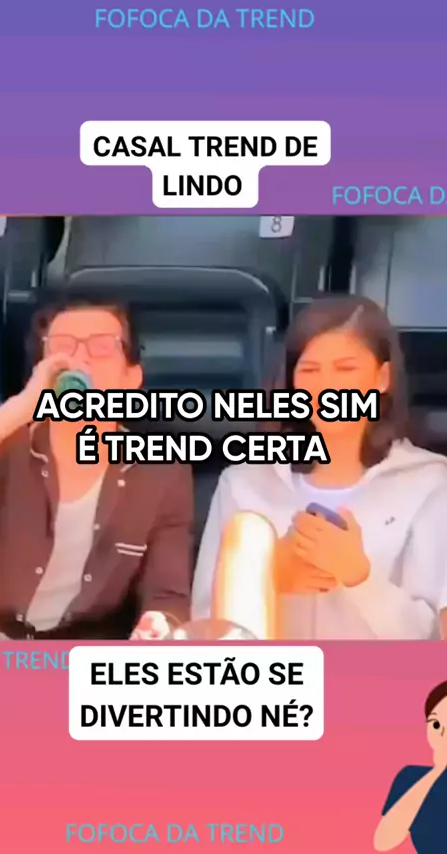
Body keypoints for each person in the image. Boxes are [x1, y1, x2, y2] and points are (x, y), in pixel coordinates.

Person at [192, 295, 447, 639]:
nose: (327, 386)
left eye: (346, 368)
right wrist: (268, 578)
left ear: (382, 377)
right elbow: (204, 629)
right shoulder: (243, 482)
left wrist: (360, 578)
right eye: (310, 370)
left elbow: (433, 641)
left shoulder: (431, 482)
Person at [0, 297, 193, 640]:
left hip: (75, 651)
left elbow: (167, 595)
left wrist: (159, 623)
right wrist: (17, 411)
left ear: (131, 378)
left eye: (101, 347)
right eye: (62, 347)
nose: (80, 360)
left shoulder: (161, 473)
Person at [374, 681, 447, 852]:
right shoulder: (411, 778)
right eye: (436, 724)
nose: (443, 732)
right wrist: (437, 771)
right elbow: (384, 841)